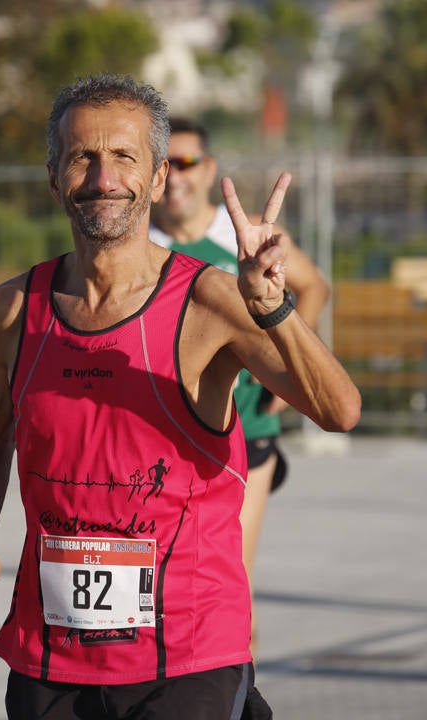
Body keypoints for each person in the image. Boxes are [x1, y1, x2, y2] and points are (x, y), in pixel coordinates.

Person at [0, 74, 360, 720]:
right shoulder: (13, 310)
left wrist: (274, 308)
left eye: (124, 157)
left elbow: (340, 410)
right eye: (83, 157)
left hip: (187, 657)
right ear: (54, 178)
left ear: (158, 179)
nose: (103, 177)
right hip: (52, 655)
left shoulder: (210, 300)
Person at [149, 116, 330, 657]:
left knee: (229, 585)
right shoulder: (140, 246)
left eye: (186, 163)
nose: (175, 177)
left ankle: (237, 693)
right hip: (171, 445)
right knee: (170, 592)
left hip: (245, 436)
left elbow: (313, 285)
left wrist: (291, 365)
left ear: (207, 170)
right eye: (164, 165)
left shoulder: (243, 234)